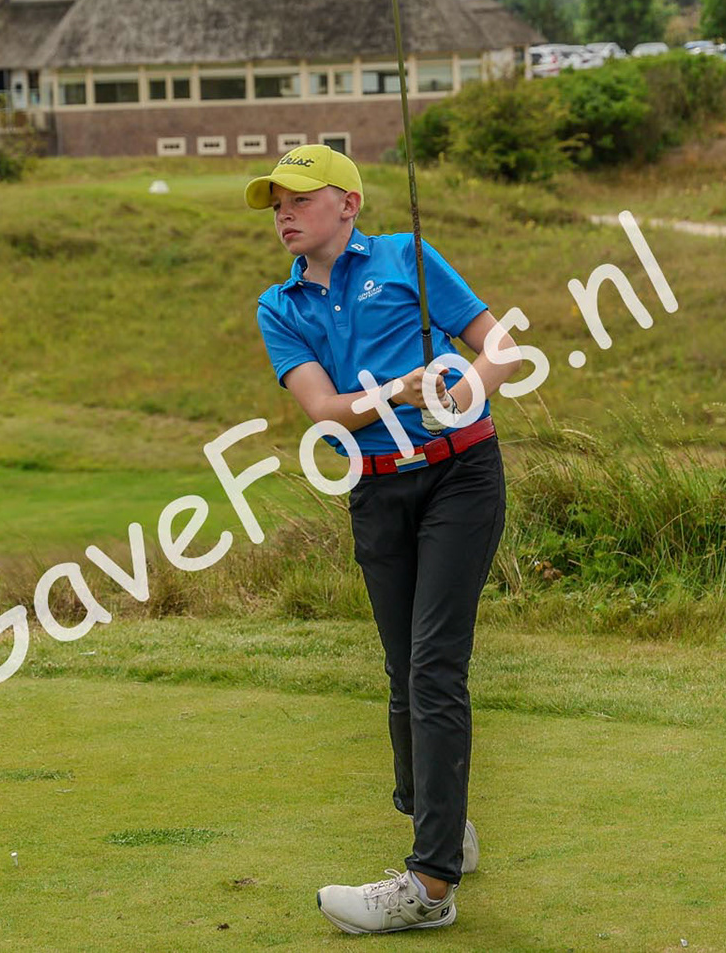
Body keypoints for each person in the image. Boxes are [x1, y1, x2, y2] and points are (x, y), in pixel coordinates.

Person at [244, 145, 525, 937]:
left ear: (349, 204)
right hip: (373, 487)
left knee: (435, 663)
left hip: (459, 476)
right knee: (404, 669)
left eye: (299, 197)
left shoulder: (408, 257)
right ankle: (440, 823)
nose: (284, 213)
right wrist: (404, 387)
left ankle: (430, 885)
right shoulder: (280, 306)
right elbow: (328, 412)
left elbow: (496, 340)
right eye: (275, 204)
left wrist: (472, 385)